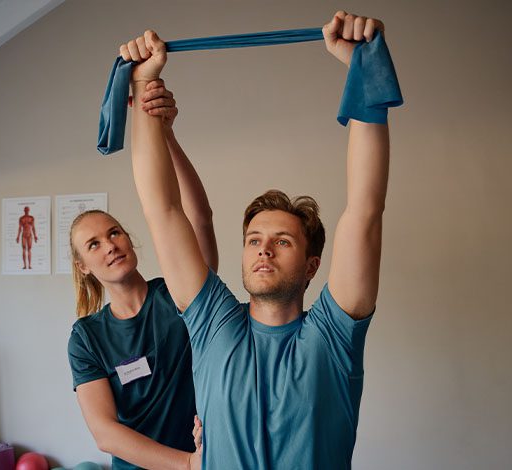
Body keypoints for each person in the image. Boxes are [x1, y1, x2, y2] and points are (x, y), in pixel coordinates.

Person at [124, 9, 391, 469]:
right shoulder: (213, 324)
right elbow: (163, 211)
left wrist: (362, 69)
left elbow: (364, 210)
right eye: (253, 240)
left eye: (283, 241)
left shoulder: (332, 336)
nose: (263, 249)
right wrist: (144, 86)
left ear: (312, 266)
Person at [67, 80, 216, 470]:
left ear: (129, 240)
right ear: (83, 266)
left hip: (207, 457)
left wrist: (166, 134)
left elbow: (198, 218)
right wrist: (186, 464)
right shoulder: (87, 337)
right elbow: (105, 433)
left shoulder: (176, 294)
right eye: (94, 244)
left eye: (114, 233)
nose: (110, 245)